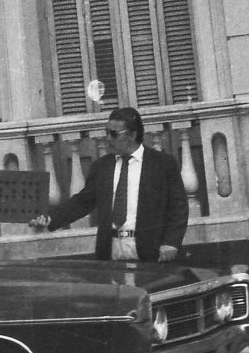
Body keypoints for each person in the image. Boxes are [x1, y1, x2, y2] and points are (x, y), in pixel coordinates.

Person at [28, 107, 188, 262]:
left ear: (133, 135)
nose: (108, 139)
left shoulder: (162, 164)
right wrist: (50, 218)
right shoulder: (102, 166)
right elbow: (82, 202)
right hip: (110, 252)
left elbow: (179, 207)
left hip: (150, 252)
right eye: (107, 133)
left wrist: (171, 242)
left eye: (114, 134)